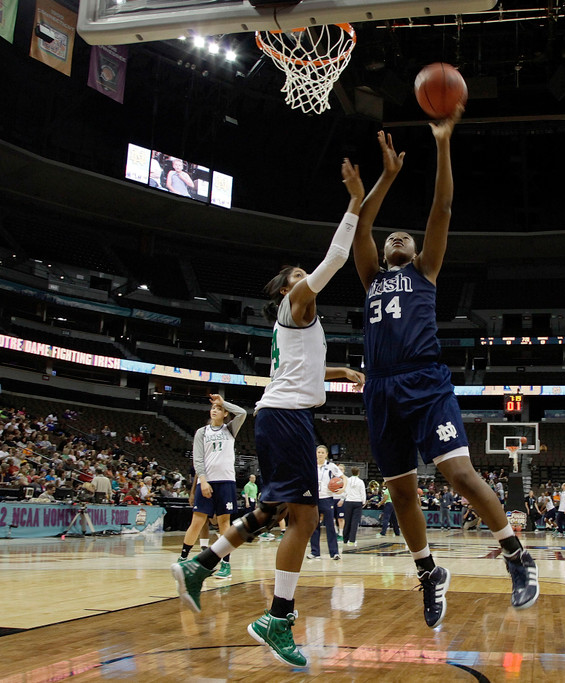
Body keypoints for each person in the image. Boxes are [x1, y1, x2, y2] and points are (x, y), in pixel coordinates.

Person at [171, 157, 367, 668]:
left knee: (277, 511)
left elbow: (302, 373)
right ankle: (276, 618)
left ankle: (203, 566)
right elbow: (337, 257)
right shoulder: (297, 303)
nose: (307, 281)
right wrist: (353, 202)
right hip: (286, 418)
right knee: (302, 516)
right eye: (298, 278)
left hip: (284, 415)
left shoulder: (300, 326)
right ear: (287, 291)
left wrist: (340, 373)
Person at [351, 116, 538, 628]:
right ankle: (429, 572)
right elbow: (362, 228)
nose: (398, 237)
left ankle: (517, 556)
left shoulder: (425, 271)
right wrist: (385, 178)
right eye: (395, 237)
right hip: (381, 390)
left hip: (425, 381)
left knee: (458, 474)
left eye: (405, 238)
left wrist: (442, 142)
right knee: (401, 492)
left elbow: (442, 208)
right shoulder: (370, 280)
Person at [178, 394, 246, 580]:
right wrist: (203, 480)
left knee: (225, 523)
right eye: (213, 407)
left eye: (218, 408)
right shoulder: (202, 432)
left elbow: (241, 413)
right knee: (197, 522)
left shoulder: (230, 429)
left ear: (225, 413)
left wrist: (223, 401)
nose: (214, 410)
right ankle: (183, 559)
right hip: (206, 481)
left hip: (226, 481)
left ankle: (225, 565)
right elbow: (198, 459)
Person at [307, 445, 343, 560]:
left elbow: (343, 478)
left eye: (322, 452)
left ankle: (334, 552)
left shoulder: (331, 466)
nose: (320, 454)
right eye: (318, 452)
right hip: (314, 499)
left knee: (330, 526)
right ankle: (315, 552)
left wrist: (342, 488)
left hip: (327, 498)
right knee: (314, 526)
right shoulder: (311, 465)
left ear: (326, 454)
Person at [341, 466, 366, 546]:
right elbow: (363, 492)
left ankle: (345, 539)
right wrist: (364, 501)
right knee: (354, 522)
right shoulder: (360, 481)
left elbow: (344, 491)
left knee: (347, 521)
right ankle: (352, 540)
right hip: (357, 502)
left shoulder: (347, 480)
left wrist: (342, 499)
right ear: (358, 473)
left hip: (348, 502)